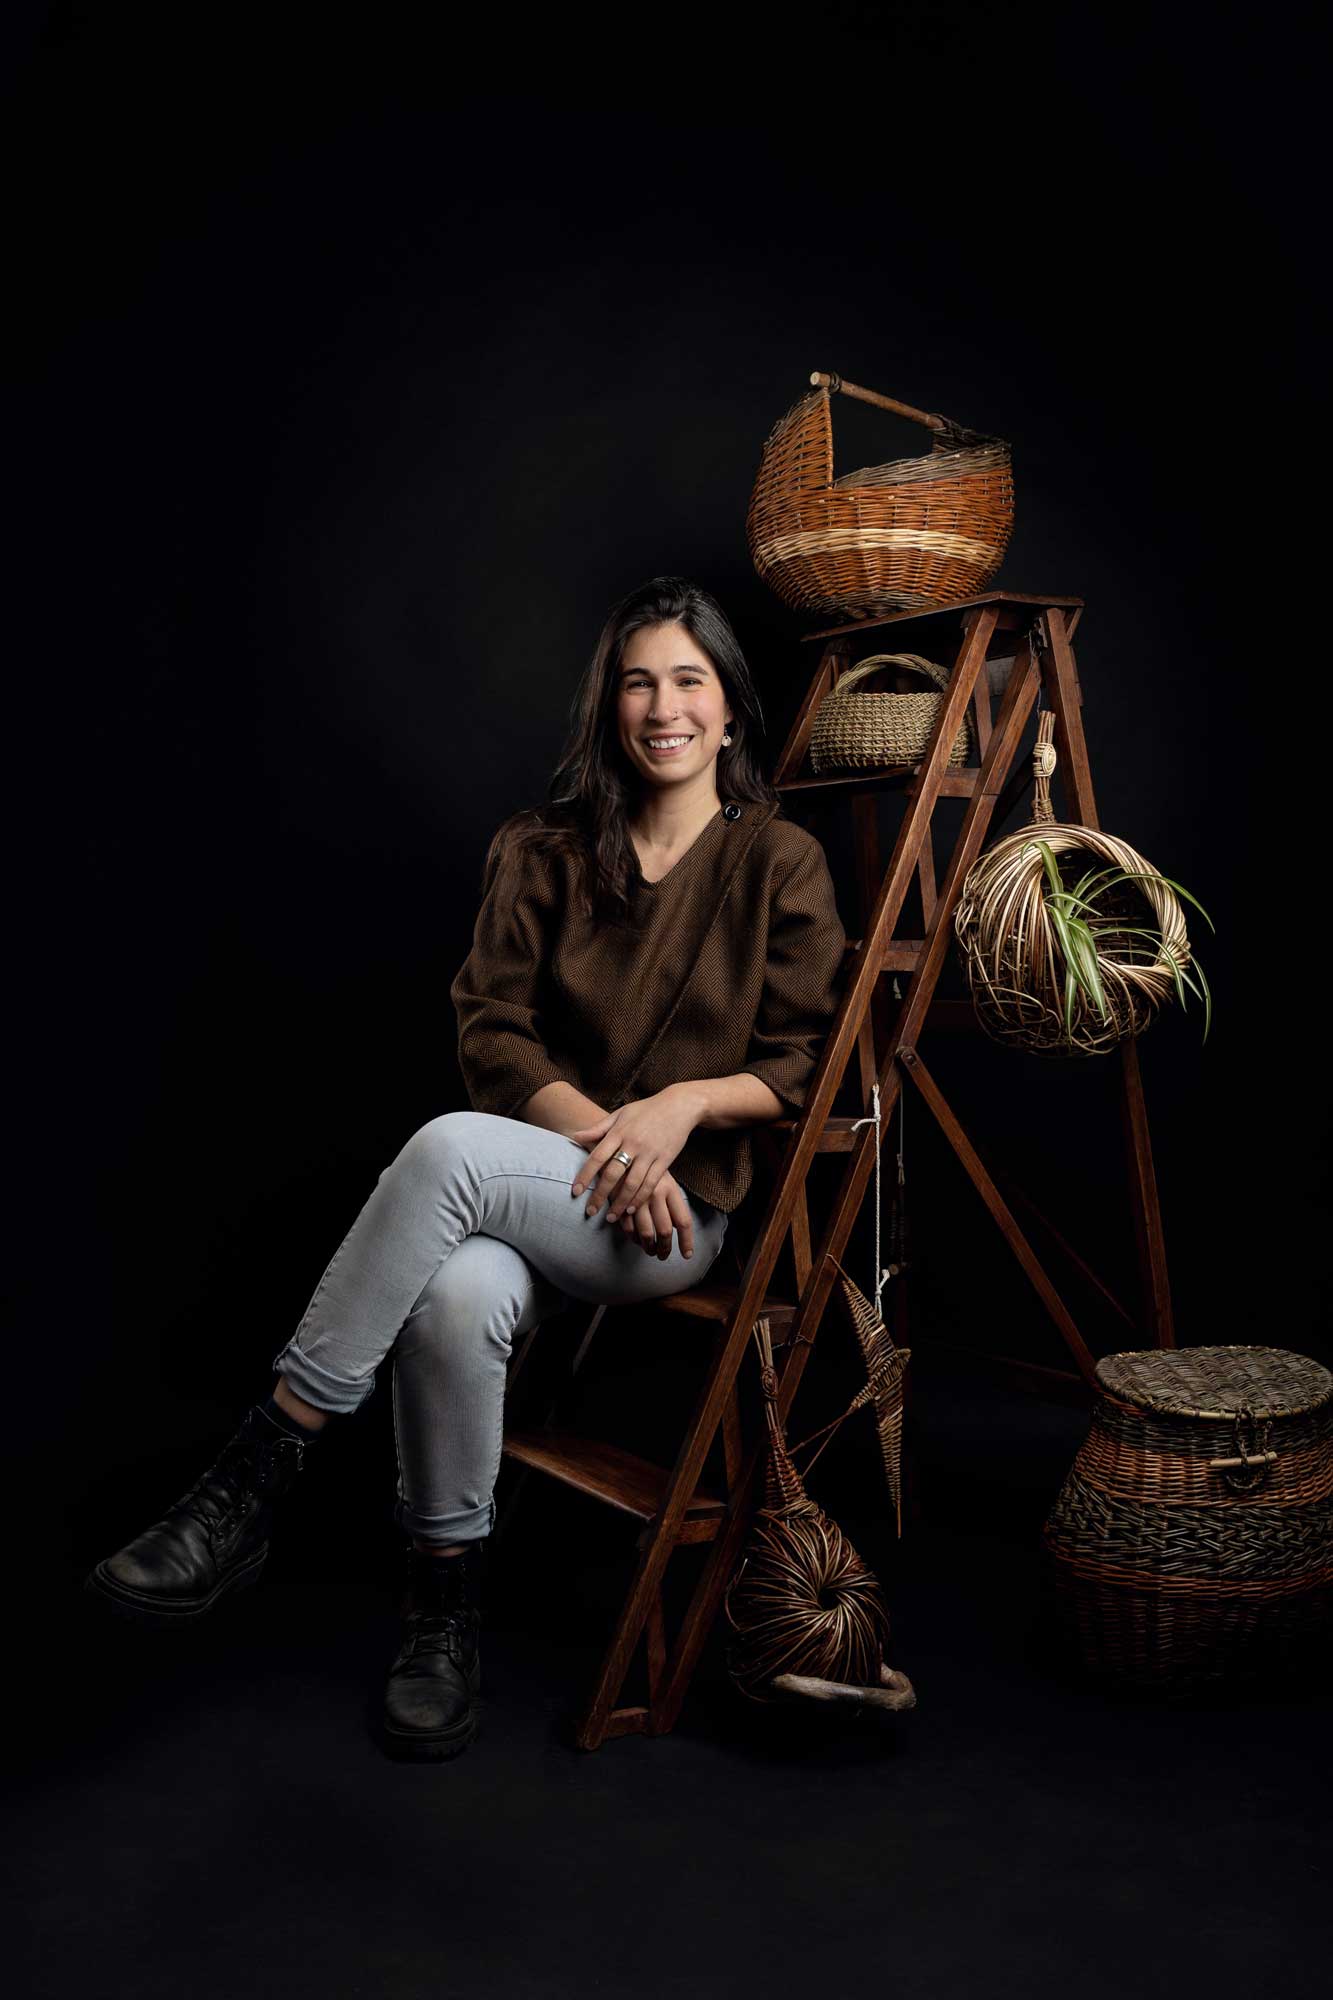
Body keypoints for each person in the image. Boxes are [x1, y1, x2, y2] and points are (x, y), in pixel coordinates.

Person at [86, 575, 848, 1761]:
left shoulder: (779, 860)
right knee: (454, 1295)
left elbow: (804, 1060)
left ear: (730, 709)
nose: (664, 706)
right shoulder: (541, 849)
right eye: (640, 680)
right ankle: (442, 1607)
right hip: (560, 1181)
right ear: (610, 706)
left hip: (671, 1218)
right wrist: (611, 1138)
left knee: (445, 1148)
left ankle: (251, 1478)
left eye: (688, 680)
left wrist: (680, 1107)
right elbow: (491, 1032)